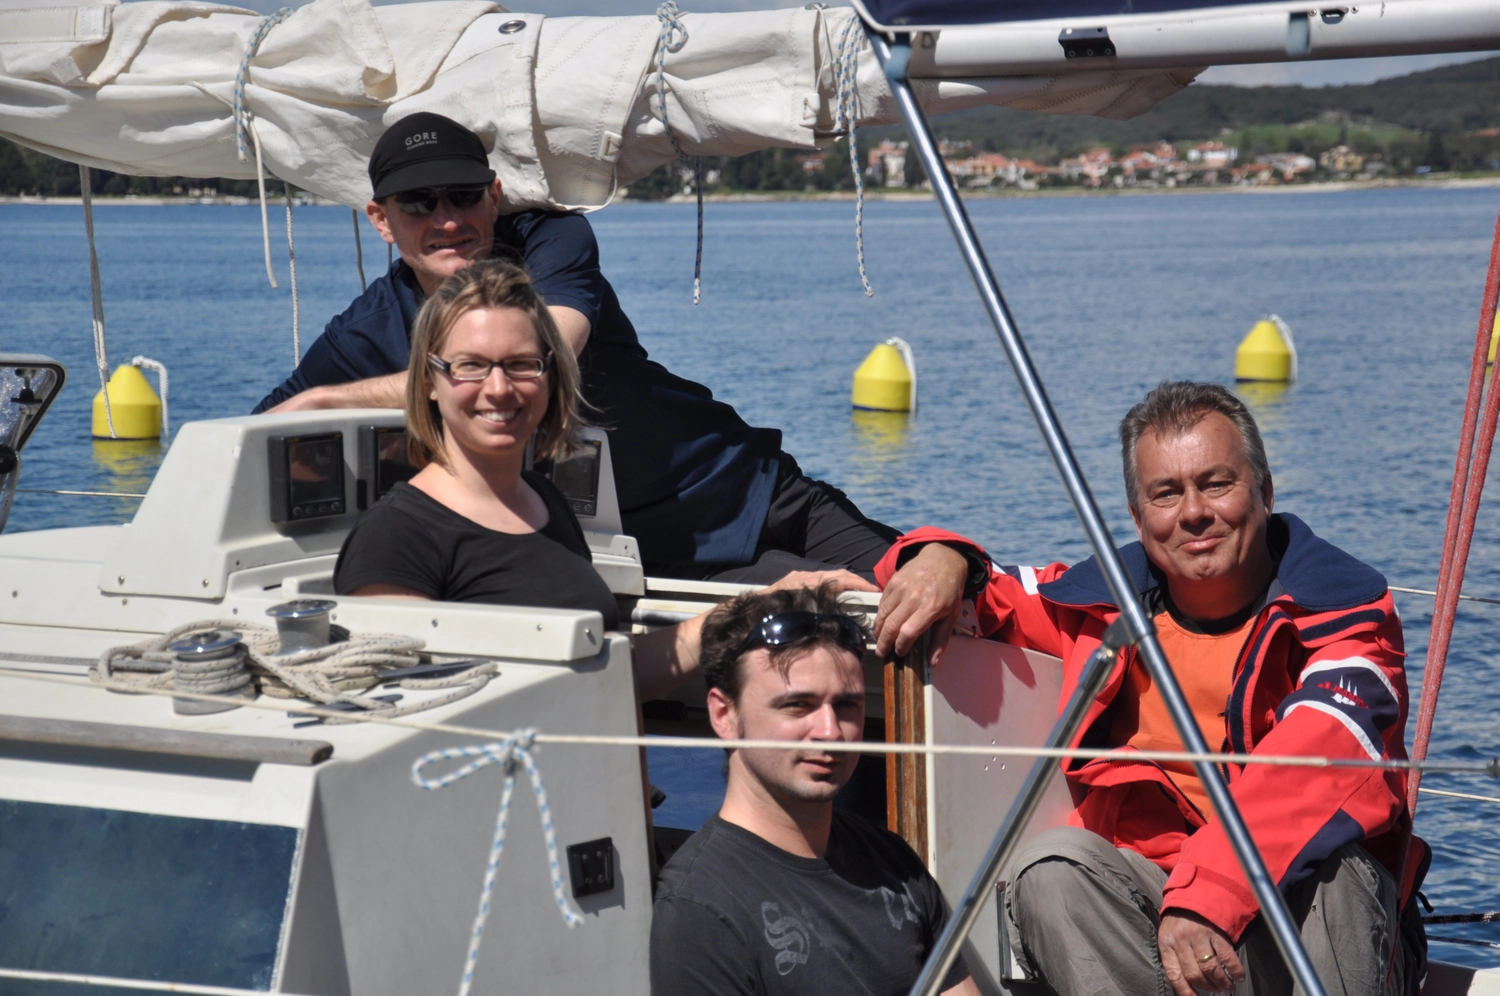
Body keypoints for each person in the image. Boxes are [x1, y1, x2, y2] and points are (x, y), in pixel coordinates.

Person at [869, 381, 1422, 996]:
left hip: (1303, 920)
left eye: (1216, 483)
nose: (1192, 513)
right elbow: (991, 590)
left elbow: (1319, 759)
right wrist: (943, 558)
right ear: (1137, 518)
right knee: (1048, 869)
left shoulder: (1345, 610)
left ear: (1264, 493)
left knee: (1339, 868)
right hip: (1161, 919)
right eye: (1166, 493)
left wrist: (1211, 890)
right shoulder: (1099, 605)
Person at [255, 112, 898, 584]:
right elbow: (259, 430)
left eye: (464, 195)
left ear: (495, 197)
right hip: (624, 546)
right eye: (419, 203)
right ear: (380, 219)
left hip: (740, 492)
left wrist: (330, 398)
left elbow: (546, 351)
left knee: (910, 591)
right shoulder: (367, 329)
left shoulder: (550, 241)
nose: (447, 218)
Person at [650, 583, 980, 996]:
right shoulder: (697, 909)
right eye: (797, 705)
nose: (829, 732)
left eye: (846, 706)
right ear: (724, 715)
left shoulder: (894, 863)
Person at [332, 258, 622, 629]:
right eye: (470, 365)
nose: (499, 388)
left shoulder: (546, 499)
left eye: (521, 363)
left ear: (550, 375)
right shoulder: (394, 539)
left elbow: (607, 664)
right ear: (427, 382)